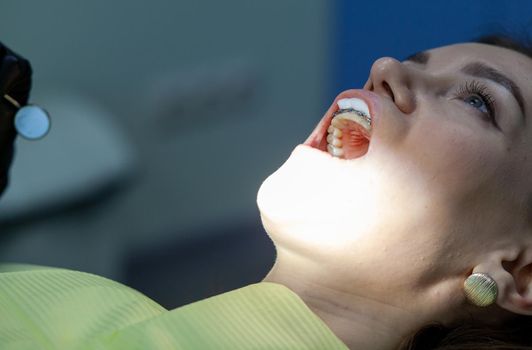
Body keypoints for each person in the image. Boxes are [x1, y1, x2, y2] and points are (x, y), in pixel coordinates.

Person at [2, 34, 532, 349]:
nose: (383, 69)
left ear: (522, 273)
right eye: (411, 60)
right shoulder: (74, 296)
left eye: (479, 101)